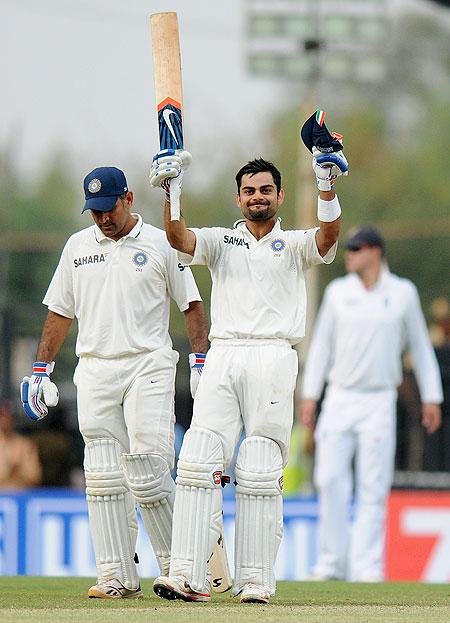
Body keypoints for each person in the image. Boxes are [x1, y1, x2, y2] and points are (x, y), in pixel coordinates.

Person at [148, 143, 347, 603]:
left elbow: (328, 237)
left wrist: (325, 184)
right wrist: (172, 190)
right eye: (249, 191)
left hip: (274, 354)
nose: (257, 196)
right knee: (197, 459)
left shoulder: (294, 243)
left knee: (259, 465)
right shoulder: (222, 240)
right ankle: (187, 575)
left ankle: (256, 581)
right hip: (225, 351)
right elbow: (179, 238)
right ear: (238, 199)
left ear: (278, 196)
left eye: (265, 190)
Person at [20, 166, 209, 598]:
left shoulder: (162, 242)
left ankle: (183, 572)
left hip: (149, 364)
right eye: (94, 212)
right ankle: (118, 576)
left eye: (108, 209)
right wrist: (40, 369)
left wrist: (201, 360)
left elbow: (192, 304)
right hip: (95, 368)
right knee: (103, 476)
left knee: (147, 470)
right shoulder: (77, 246)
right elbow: (59, 310)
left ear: (128, 199)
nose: (102, 219)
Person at [299, 226, 443, 582]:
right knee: (329, 479)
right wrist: (310, 396)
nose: (348, 254)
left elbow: (421, 348)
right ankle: (332, 562)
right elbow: (321, 348)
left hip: (379, 399)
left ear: (375, 252)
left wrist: (432, 396)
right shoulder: (337, 293)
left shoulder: (403, 293)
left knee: (372, 485)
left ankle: (366, 567)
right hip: (340, 396)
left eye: (355, 248)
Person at [0, 400, 42, 490]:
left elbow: (35, 477)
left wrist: (15, 475)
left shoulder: (25, 445)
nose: (4, 421)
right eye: (2, 416)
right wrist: (11, 473)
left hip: (21, 495)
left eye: (8, 417)